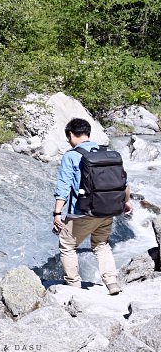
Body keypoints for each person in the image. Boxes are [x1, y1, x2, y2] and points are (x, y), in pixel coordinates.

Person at [52, 118, 132, 294]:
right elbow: (124, 183)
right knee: (101, 244)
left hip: (82, 212)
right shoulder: (108, 153)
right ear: (88, 133)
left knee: (67, 245)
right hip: (108, 210)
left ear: (71, 135)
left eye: (68, 137)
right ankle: (111, 282)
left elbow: (63, 188)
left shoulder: (71, 156)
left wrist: (57, 213)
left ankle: (74, 286)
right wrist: (126, 202)